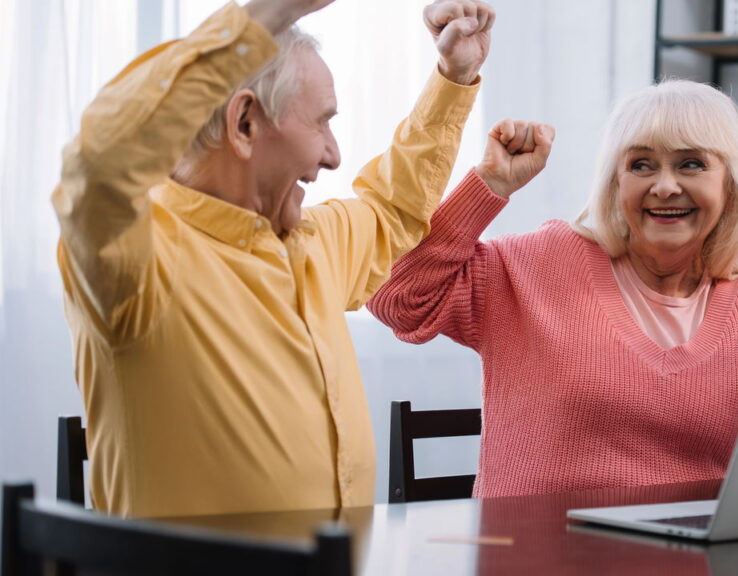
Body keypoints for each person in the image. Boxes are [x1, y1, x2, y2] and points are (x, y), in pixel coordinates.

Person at [367, 80, 738, 498]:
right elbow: (395, 296)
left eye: (690, 164)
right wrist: (486, 186)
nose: (664, 185)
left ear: (727, 185)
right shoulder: (535, 266)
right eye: (641, 165)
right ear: (616, 183)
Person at [53, 0, 494, 518]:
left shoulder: (312, 239)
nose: (333, 154)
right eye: (322, 123)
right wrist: (266, 14)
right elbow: (97, 165)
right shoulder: (137, 260)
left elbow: (391, 207)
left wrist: (453, 77)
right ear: (244, 123)